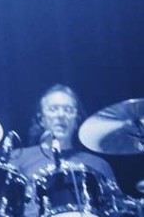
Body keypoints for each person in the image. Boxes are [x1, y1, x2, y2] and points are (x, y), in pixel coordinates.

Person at [9, 84, 116, 215]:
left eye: (68, 109)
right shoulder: (19, 157)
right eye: (53, 109)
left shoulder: (99, 165)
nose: (61, 115)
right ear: (41, 119)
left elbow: (116, 208)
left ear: (76, 119)